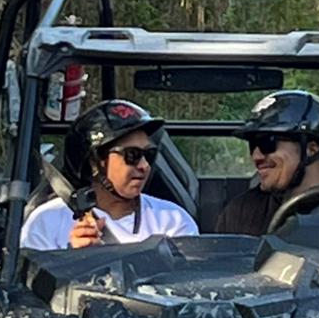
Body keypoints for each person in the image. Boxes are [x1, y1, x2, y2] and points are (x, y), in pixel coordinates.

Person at [21, 99, 199, 250]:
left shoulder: (173, 220)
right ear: (94, 161)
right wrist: (74, 260)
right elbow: (30, 279)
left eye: (149, 155)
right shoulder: (47, 221)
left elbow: (188, 278)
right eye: (132, 155)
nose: (144, 166)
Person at [215, 90, 319, 236]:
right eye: (252, 145)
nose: (256, 156)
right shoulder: (240, 212)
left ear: (312, 148)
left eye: (267, 142)